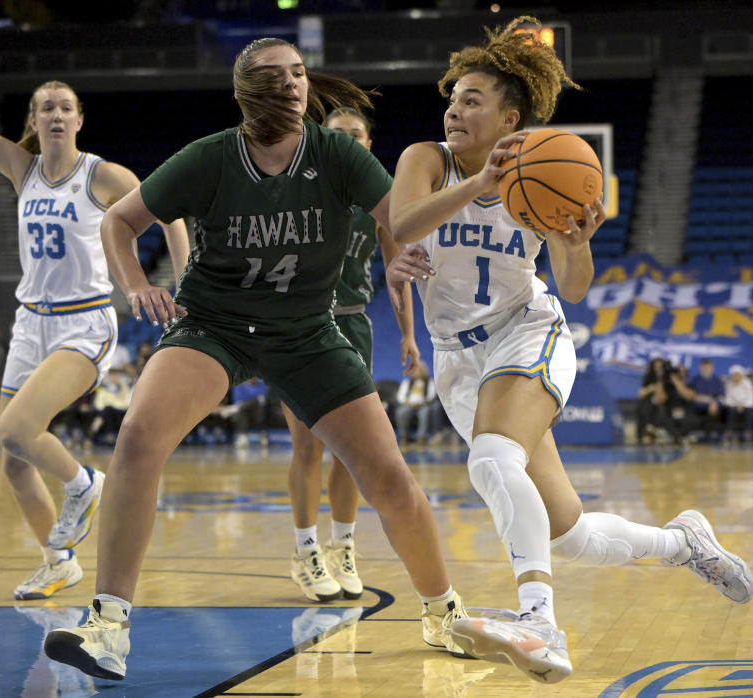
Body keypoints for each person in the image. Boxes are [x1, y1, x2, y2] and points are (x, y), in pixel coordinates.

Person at [43, 37, 469, 681]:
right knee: (136, 438)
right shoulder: (210, 159)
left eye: (300, 73)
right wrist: (135, 284)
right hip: (215, 327)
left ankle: (445, 611)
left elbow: (401, 220)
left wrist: (409, 247)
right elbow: (118, 223)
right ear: (247, 91)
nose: (294, 84)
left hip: (306, 330)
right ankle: (108, 623)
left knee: (386, 475)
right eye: (277, 76)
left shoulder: (338, 156)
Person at [385, 16, 753, 684]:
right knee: (566, 533)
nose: (455, 109)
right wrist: (478, 187)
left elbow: (577, 288)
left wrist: (577, 238)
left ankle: (538, 621)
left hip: (527, 330)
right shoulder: (427, 159)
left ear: (510, 118)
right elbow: (404, 222)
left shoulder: (543, 167)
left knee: (493, 459)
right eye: (454, 98)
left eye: (473, 100)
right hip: (456, 359)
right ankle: (683, 543)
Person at [0, 66, 189, 600]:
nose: (55, 114)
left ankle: (83, 484)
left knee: (14, 431)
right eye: (45, 107)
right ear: (33, 120)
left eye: (64, 107)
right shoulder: (19, 167)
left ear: (78, 120)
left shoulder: (103, 175)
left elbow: (171, 214)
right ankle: (58, 562)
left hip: (84, 320)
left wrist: (182, 279)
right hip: (30, 323)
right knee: (14, 462)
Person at [283, 106, 420, 605]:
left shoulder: (378, 199)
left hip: (353, 322)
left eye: (355, 134)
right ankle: (304, 550)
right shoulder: (293, 190)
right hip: (298, 326)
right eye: (336, 134)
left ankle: (342, 546)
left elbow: (397, 269)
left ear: (367, 144)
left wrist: (408, 335)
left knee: (352, 449)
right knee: (308, 445)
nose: (345, 141)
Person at [395, 360, 436, 447]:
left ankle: (421, 438)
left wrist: (423, 402)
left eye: (419, 370)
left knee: (424, 413)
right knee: (400, 412)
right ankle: (404, 436)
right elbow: (400, 396)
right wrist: (408, 402)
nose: (417, 372)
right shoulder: (407, 383)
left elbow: (431, 395)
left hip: (423, 405)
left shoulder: (430, 382)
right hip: (409, 405)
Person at [722, 364, 753, 445]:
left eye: (738, 375)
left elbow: (751, 398)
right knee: (731, 411)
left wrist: (743, 405)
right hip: (734, 406)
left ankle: (748, 433)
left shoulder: (748, 383)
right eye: (734, 375)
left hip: (747, 406)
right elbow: (727, 399)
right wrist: (737, 405)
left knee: (750, 411)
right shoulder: (729, 385)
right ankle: (729, 433)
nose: (736, 377)